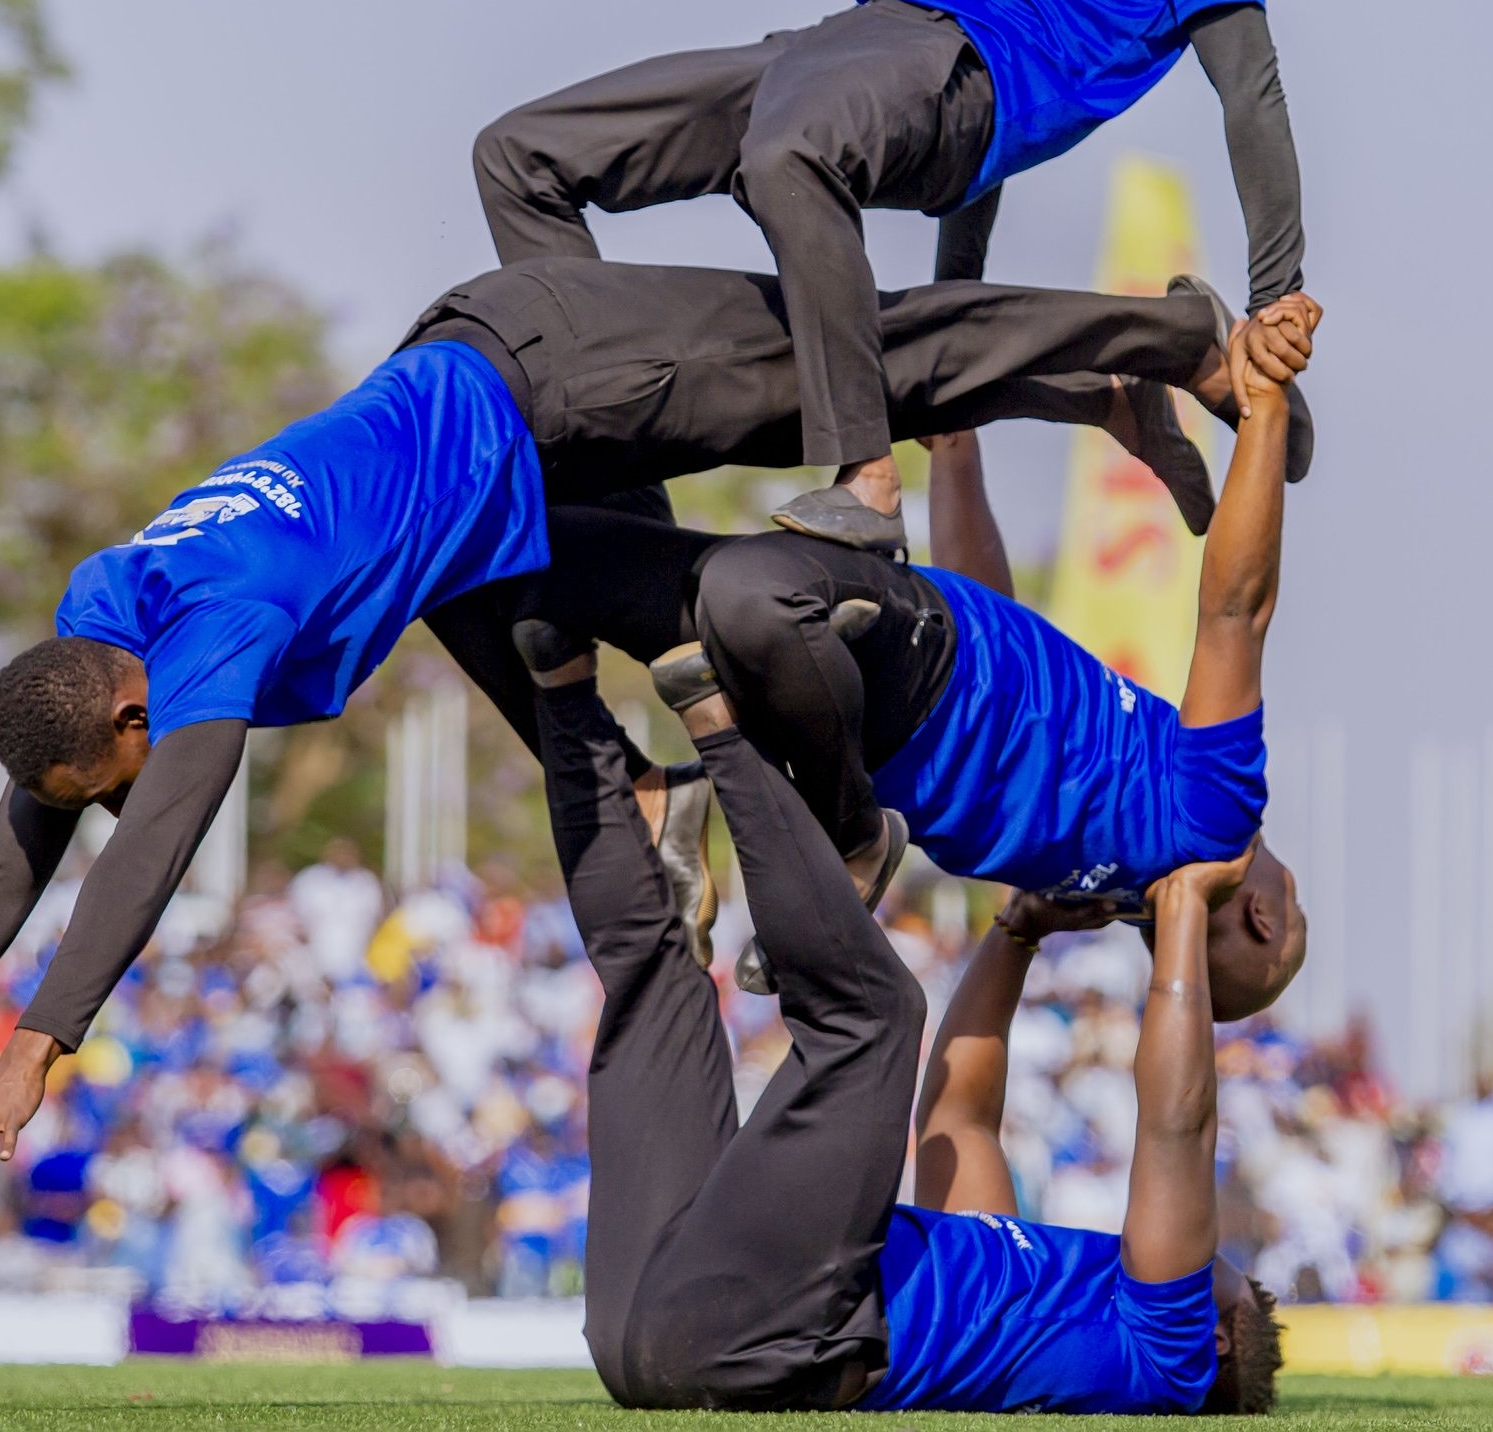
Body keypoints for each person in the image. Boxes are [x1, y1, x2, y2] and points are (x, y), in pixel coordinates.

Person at [0, 258, 1274, 1194]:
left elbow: (157, 853)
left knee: (848, 360)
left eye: (110, 781)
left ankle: (1138, 347)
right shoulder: (101, 607)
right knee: (557, 624)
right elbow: (16, 860)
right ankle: (674, 796)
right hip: (488, 521)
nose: (113, 808)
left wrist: (39, 1051)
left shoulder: (215, 626)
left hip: (546, 385)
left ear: (135, 711)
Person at [474, 0, 1311, 551]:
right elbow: (934, 107)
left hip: (962, 68)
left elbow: (1249, 88)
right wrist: (960, 297)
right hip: (854, 37)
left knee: (788, 156)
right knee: (522, 154)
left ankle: (869, 483)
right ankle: (610, 486)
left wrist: (1277, 294)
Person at [510, 613, 1282, 1414]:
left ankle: (721, 728)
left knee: (875, 1015)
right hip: (652, 1340)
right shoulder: (1018, 1285)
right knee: (657, 982)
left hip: (770, 1335)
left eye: (1214, 1272)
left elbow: (1178, 1126)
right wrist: (1017, 934)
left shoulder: (1166, 1354)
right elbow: (959, 1118)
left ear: (1216, 1337)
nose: (1199, 1245)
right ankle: (562, 689)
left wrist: (1186, 904)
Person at [466, 294, 1319, 1016]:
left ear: (1264, 922)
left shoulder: (1188, 839)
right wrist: (955, 453)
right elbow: (1029, 631)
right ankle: (661, 791)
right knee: (508, 560)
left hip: (870, 694)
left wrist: (1264, 411)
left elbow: (1234, 613)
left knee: (692, 590)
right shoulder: (1143, 854)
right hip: (906, 651)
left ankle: (840, 842)